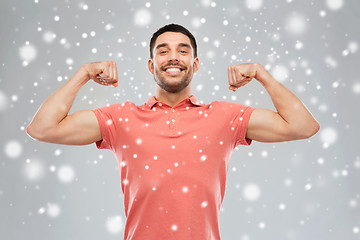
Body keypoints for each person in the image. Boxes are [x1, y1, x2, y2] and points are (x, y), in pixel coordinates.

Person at [26, 23, 320, 240]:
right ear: (152, 65)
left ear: (195, 63)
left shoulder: (224, 117)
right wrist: (84, 74)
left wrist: (261, 74)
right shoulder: (121, 118)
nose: (173, 57)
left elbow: (303, 126)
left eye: (183, 50)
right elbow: (42, 128)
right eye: (163, 51)